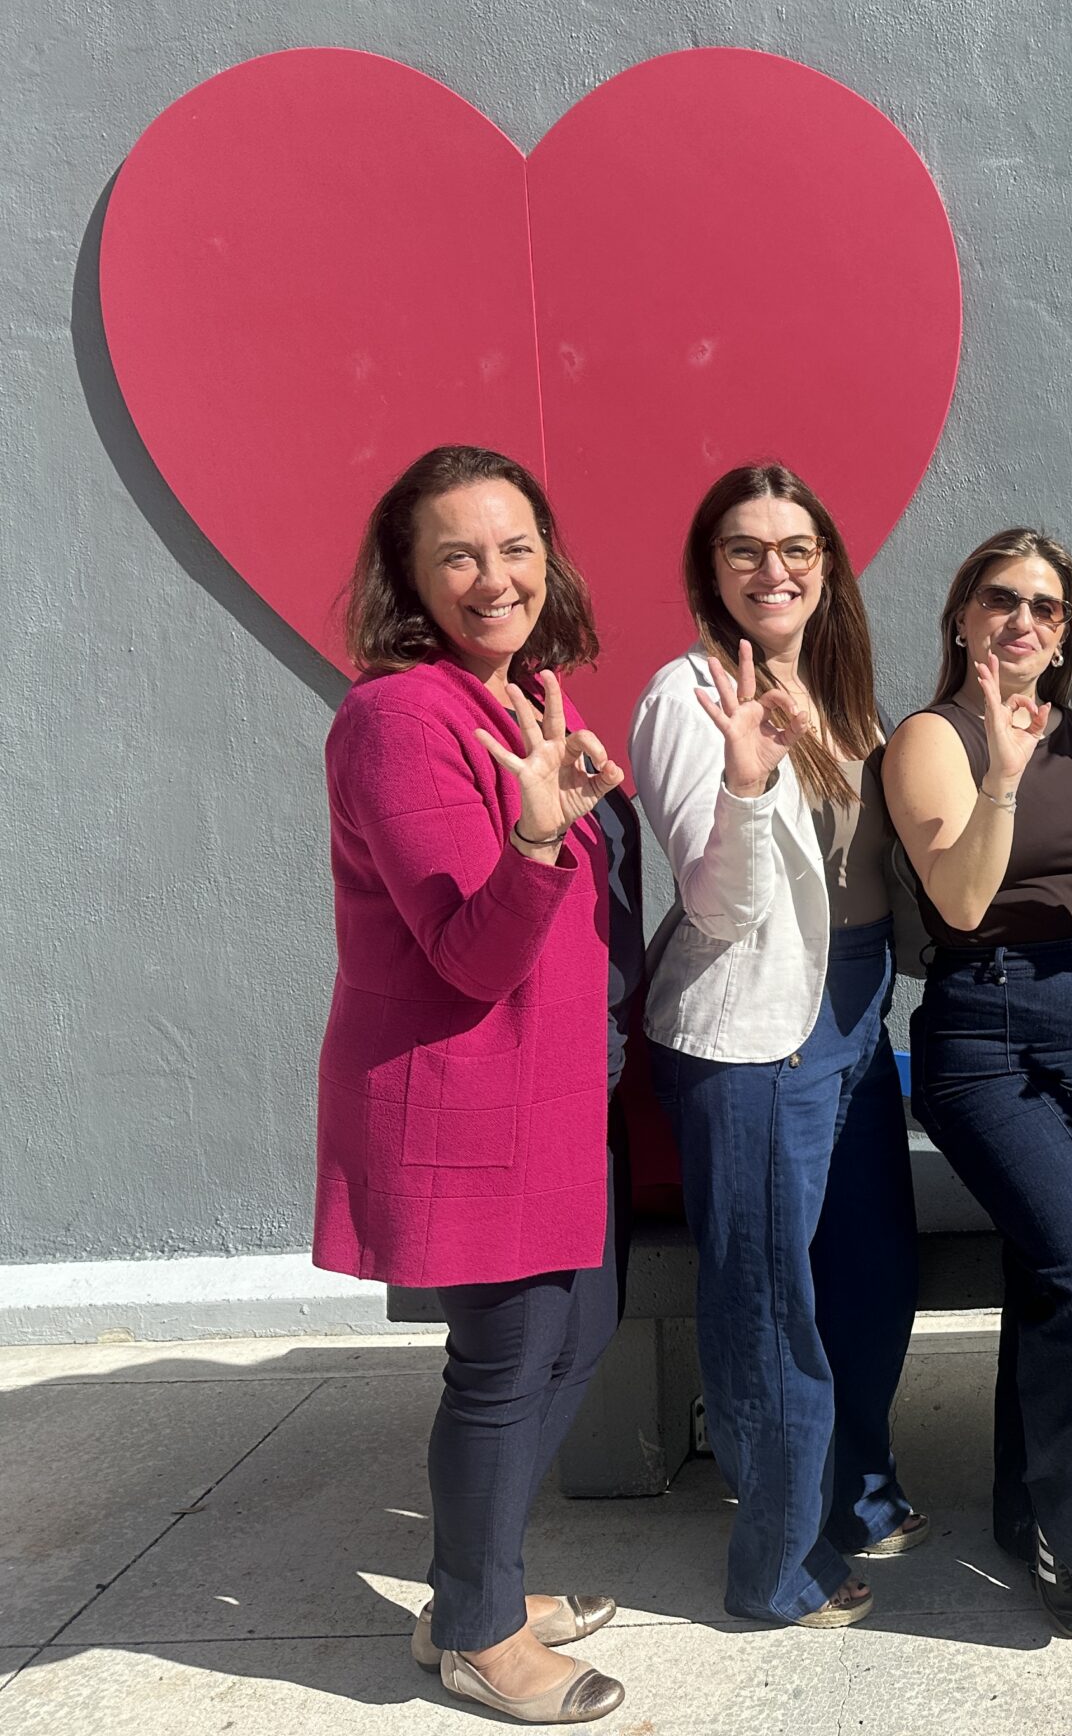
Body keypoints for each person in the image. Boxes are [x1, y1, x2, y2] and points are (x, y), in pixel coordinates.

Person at [314, 444, 628, 1725]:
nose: (494, 577)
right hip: (462, 1093)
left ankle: (469, 1583)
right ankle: (480, 1634)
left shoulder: (520, 697)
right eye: (457, 555)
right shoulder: (401, 719)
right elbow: (467, 950)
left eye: (515, 548)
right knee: (504, 1360)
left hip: (548, 1089)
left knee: (581, 1331)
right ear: (409, 577)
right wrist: (542, 832)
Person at [629, 465, 925, 1631]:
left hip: (852, 1020)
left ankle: (851, 1489)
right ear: (710, 570)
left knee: (870, 1278)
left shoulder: (839, 690)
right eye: (744, 549)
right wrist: (749, 787)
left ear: (827, 565)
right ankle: (776, 1558)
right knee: (766, 1305)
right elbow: (717, 905)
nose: (774, 569)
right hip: (755, 1036)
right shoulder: (689, 695)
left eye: (796, 547)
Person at [881, 528, 1072, 1639]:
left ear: (1065, 637)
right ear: (963, 616)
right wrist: (1003, 779)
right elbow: (959, 902)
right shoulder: (932, 739)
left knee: (1060, 1283)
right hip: (990, 1041)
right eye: (1001, 598)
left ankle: (1026, 1503)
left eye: (1045, 607)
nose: (1022, 619)